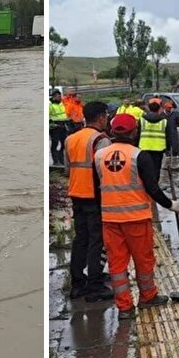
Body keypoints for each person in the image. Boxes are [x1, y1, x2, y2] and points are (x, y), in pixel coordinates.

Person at [94, 113, 179, 320]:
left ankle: (124, 308)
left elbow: (97, 188)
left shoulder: (99, 156)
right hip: (136, 219)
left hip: (110, 220)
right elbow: (152, 188)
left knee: (117, 265)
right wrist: (171, 205)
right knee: (143, 261)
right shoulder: (139, 156)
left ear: (112, 131)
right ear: (135, 132)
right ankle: (147, 297)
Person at [65, 102, 113, 302]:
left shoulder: (71, 139)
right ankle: (95, 286)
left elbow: (68, 170)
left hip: (76, 194)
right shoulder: (101, 140)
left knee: (80, 239)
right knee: (97, 241)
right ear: (101, 117)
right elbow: (107, 173)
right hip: (95, 197)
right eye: (106, 116)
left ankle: (77, 284)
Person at [138, 97, 170, 182]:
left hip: (144, 148)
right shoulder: (164, 121)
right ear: (159, 108)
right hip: (158, 149)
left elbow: (137, 134)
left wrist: (135, 146)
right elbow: (168, 136)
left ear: (148, 108)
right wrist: (168, 150)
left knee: (144, 168)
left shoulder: (142, 120)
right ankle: (155, 186)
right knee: (156, 169)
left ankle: (145, 186)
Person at [49, 89, 69, 165]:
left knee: (64, 143)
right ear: (54, 96)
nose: (60, 97)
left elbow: (63, 114)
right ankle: (56, 161)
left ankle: (61, 160)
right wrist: (51, 124)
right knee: (55, 143)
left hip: (62, 125)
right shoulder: (49, 104)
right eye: (58, 96)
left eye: (60, 96)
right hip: (54, 126)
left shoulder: (61, 103)